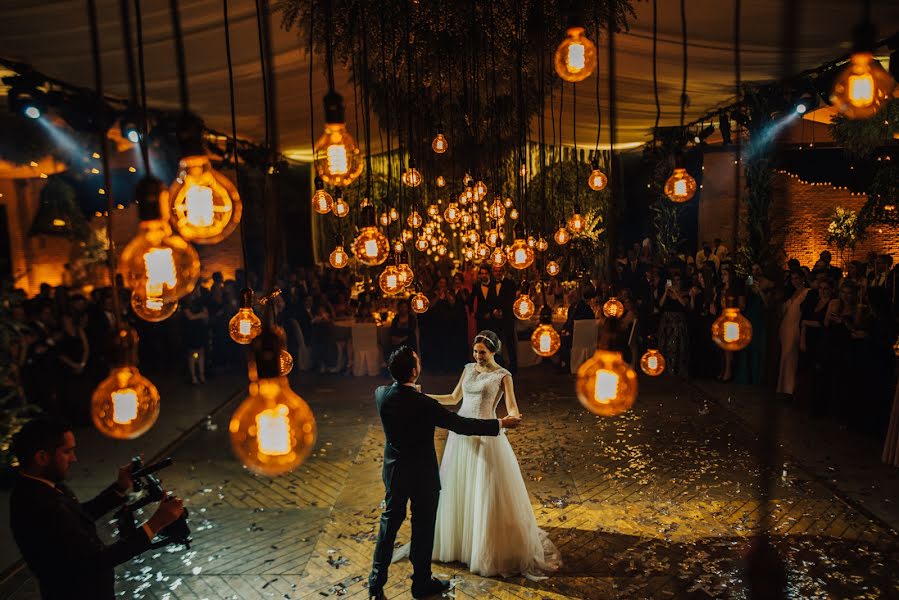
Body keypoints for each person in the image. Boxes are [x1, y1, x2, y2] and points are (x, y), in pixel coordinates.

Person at [397, 331, 559, 579]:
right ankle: (460, 543)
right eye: (475, 351)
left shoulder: (503, 376)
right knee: (459, 487)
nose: (477, 356)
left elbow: (512, 405)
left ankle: (483, 547)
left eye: (482, 352)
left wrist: (512, 416)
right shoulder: (469, 369)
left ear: (494, 351)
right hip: (461, 435)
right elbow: (454, 397)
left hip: (486, 435)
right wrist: (422, 397)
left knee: (485, 489)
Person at [367, 346, 521, 600]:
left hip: (394, 473)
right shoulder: (424, 404)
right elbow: (460, 424)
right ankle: (420, 584)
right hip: (422, 477)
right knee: (423, 529)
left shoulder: (381, 395)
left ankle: (375, 586)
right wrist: (500, 423)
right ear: (415, 371)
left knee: (388, 527)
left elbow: (401, 396)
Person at [9, 417, 184, 600]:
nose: (74, 458)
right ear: (42, 457)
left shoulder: (42, 485)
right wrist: (156, 523)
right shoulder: (38, 504)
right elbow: (97, 560)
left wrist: (120, 487)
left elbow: (77, 516)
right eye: (67, 451)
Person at [776, 270, 809, 397]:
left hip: (795, 327)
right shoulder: (790, 293)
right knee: (785, 356)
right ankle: (783, 388)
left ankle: (790, 389)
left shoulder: (807, 292)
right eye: (792, 279)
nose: (795, 281)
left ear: (802, 278)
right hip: (785, 327)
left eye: (797, 278)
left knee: (791, 356)